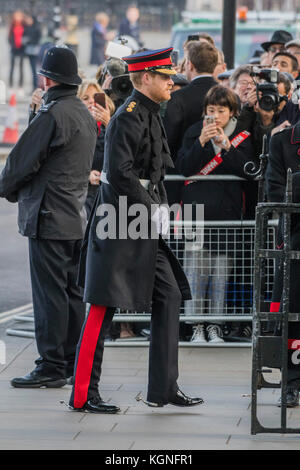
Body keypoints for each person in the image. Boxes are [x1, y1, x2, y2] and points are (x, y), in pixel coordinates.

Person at [68, 47, 203, 413]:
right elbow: (122, 174)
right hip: (119, 224)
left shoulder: (149, 113)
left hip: (142, 221)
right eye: (165, 77)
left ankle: (164, 387)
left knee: (170, 295)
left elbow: (153, 172)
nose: (172, 84)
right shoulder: (127, 116)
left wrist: (156, 211)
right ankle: (83, 394)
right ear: (145, 78)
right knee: (101, 308)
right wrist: (151, 210)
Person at [0, 45, 98, 388]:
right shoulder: (83, 113)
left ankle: (51, 365)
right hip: (74, 215)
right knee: (71, 293)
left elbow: (20, 163)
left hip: (48, 215)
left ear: (46, 77)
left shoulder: (52, 114)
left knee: (49, 295)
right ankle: (71, 360)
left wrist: (7, 189)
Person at [175, 85, 256, 343]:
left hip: (227, 214)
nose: (216, 116)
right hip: (195, 213)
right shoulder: (192, 133)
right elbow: (183, 168)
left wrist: (226, 146)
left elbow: (248, 170)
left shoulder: (242, 136)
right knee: (195, 274)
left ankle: (215, 326)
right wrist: (201, 142)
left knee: (221, 275)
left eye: (221, 110)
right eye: (211, 110)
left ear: (232, 112)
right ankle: (196, 326)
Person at [265, 123, 300, 407]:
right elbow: (274, 191)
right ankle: (291, 383)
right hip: (294, 240)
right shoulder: (281, 141)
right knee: (292, 315)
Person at [163, 40, 218, 206]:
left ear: (190, 64)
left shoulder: (178, 98)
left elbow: (167, 140)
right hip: (218, 177)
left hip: (180, 179)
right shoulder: (229, 96)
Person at [77, 78, 115, 218]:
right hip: (83, 198)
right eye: (85, 98)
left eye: (95, 97)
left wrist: (109, 123)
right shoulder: (74, 128)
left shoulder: (112, 123)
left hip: (107, 197)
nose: (91, 101)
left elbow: (122, 153)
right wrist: (86, 176)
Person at [8, 10, 26, 91]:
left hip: (21, 49)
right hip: (13, 49)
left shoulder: (24, 25)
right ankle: (11, 85)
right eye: (17, 16)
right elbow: (9, 37)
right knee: (12, 67)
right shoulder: (12, 26)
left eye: (20, 16)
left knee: (21, 68)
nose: (18, 18)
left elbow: (26, 35)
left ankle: (20, 86)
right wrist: (13, 45)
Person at [23, 14, 41, 92]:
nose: (28, 21)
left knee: (35, 70)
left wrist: (29, 40)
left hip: (35, 51)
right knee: (32, 70)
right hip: (29, 51)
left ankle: (36, 86)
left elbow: (38, 39)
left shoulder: (37, 28)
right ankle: (34, 86)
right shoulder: (27, 28)